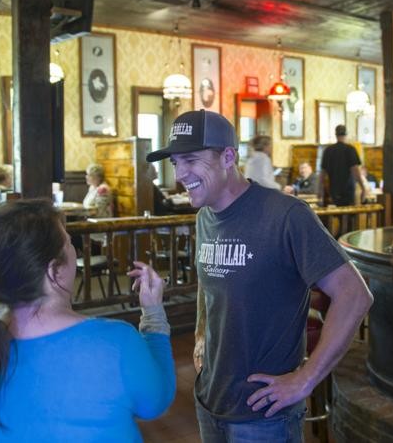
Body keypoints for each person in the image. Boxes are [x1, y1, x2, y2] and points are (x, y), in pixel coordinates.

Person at [146, 110, 373, 442]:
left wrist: (306, 379)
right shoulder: (205, 217)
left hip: (263, 416)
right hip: (210, 399)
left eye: (191, 160)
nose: (180, 173)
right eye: (175, 163)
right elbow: (209, 287)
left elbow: (355, 295)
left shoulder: (286, 215)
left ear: (227, 157)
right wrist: (199, 335)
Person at [0, 199, 175, 442]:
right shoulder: (116, 343)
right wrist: (153, 315)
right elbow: (155, 402)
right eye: (69, 242)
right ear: (54, 270)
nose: (74, 249)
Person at [321, 124, 372, 206]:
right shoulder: (350, 149)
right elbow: (355, 171)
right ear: (346, 135)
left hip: (334, 190)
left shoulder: (328, 150)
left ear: (336, 135)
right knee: (349, 215)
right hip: (348, 190)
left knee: (337, 215)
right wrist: (363, 187)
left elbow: (323, 174)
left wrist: (322, 191)